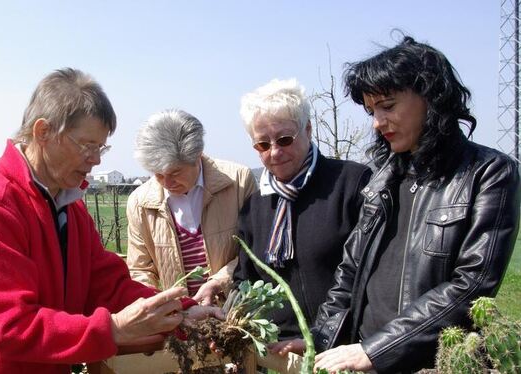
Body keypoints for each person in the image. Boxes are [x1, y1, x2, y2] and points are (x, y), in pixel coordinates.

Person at [0, 68, 220, 374]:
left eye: (101, 147)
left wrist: (181, 311)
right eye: (87, 146)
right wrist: (113, 329)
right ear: (43, 132)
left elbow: (106, 287)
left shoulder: (68, 206)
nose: (97, 159)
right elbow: (12, 326)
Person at [274, 36, 521, 373]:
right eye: (372, 110)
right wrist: (322, 337)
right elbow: (350, 271)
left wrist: (376, 350)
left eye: (388, 106)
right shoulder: (383, 177)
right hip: (362, 358)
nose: (377, 122)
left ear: (432, 99)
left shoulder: (488, 173)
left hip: (431, 364)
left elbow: (472, 285)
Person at [234, 78, 372, 340]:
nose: (274, 152)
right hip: (283, 355)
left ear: (308, 130)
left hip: (347, 346)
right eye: (262, 144)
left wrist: (324, 337)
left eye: (285, 139)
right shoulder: (254, 208)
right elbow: (245, 281)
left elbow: (371, 274)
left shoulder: (352, 184)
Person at [126, 109, 257, 305]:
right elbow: (140, 270)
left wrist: (220, 283)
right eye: (158, 174)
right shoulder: (140, 202)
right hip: (180, 319)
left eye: (175, 172)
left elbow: (254, 249)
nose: (166, 182)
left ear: (197, 156)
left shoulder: (238, 181)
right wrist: (162, 306)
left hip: (234, 310)